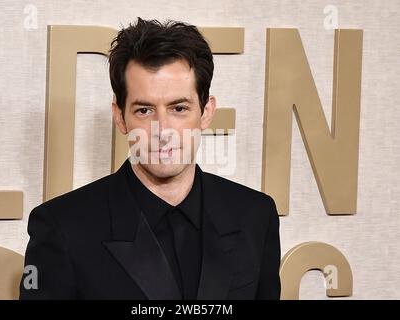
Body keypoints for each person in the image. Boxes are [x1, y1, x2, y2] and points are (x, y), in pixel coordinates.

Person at [19, 17, 281, 300]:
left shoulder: (256, 215)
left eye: (179, 108)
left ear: (206, 113)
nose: (162, 130)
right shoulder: (62, 228)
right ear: (120, 117)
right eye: (144, 111)